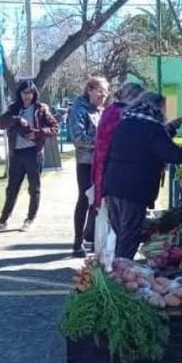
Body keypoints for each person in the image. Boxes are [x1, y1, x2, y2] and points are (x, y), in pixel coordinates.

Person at [102, 93, 182, 260]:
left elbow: (112, 153)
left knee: (120, 234)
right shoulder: (153, 129)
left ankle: (115, 272)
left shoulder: (125, 123)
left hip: (113, 184)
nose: (165, 113)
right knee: (129, 237)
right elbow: (174, 155)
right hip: (134, 189)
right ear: (156, 108)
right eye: (163, 108)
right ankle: (120, 276)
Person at [0, 80, 59, 232]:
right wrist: (16, 119)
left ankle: (30, 218)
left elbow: (55, 128)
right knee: (12, 188)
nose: (27, 96)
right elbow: (1, 123)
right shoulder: (14, 108)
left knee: (34, 187)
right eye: (24, 93)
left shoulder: (41, 109)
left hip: (33, 153)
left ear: (34, 93)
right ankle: (4, 218)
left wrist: (38, 133)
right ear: (19, 94)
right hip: (16, 153)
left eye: (30, 93)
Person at [68, 76, 109, 257]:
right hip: (86, 161)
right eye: (100, 91)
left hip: (100, 161)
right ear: (90, 89)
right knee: (84, 199)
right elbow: (78, 137)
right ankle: (77, 242)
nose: (103, 95)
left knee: (98, 200)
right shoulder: (79, 109)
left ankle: (89, 236)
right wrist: (101, 143)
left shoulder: (100, 110)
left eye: (105, 92)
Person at [91, 82, 146, 213]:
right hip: (111, 166)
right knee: (116, 216)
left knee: (106, 211)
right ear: (133, 97)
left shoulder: (110, 110)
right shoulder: (122, 113)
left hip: (103, 163)